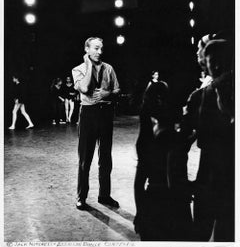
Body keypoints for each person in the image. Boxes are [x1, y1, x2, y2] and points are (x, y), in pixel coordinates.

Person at [178, 36, 234, 241]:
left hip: (213, 167)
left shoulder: (208, 92)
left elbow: (192, 132)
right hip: (225, 166)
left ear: (215, 62)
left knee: (204, 223)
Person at [134, 81, 193, 241]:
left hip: (152, 199)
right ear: (161, 100)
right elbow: (172, 178)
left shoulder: (145, 137)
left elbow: (139, 183)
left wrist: (140, 212)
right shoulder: (170, 136)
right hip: (171, 203)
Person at [72, 37, 120, 210]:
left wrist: (106, 94)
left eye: (101, 48)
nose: (100, 52)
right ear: (87, 49)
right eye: (96, 48)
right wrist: (89, 66)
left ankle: (104, 195)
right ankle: (81, 197)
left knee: (106, 157)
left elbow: (117, 89)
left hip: (106, 113)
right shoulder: (78, 69)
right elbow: (84, 88)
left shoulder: (109, 68)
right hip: (88, 114)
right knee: (85, 158)